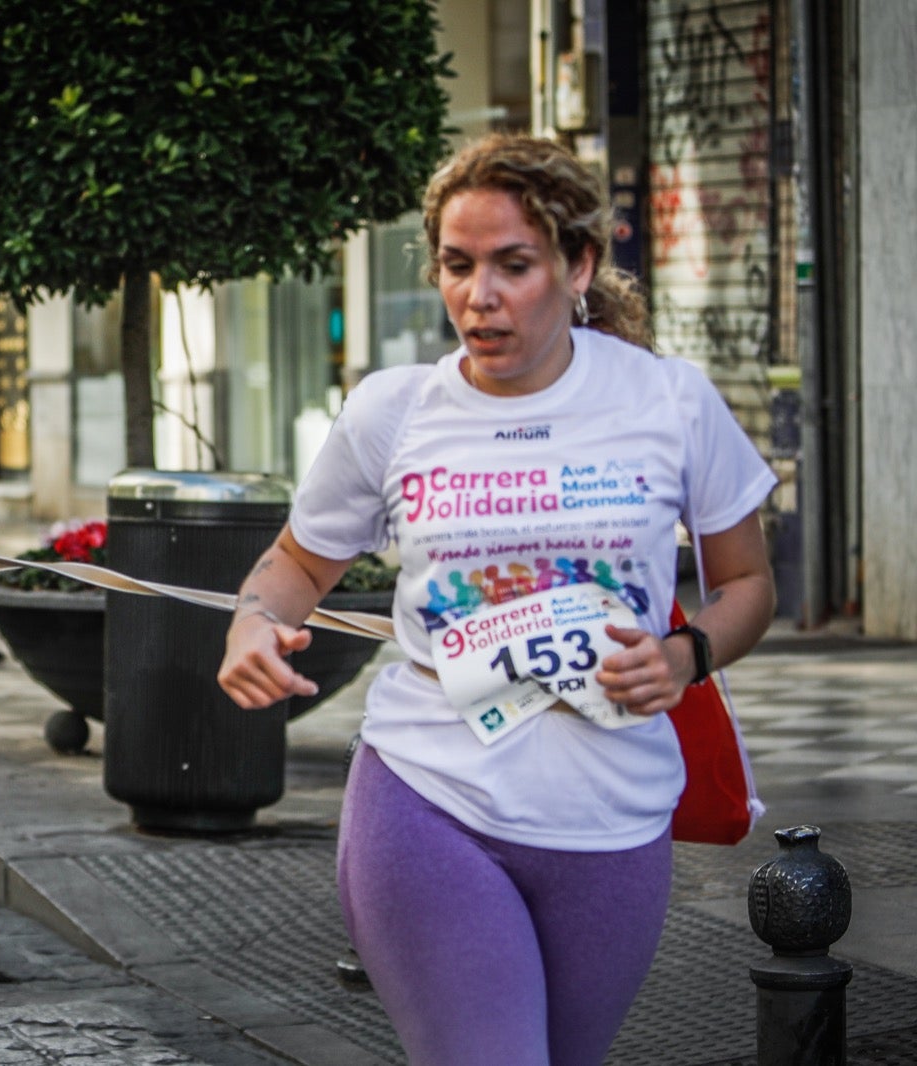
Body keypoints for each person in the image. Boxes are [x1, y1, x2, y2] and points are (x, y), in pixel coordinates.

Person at [217, 134, 776, 1066]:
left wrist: (684, 659)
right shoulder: (393, 412)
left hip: (613, 818)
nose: (480, 296)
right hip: (429, 795)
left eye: (514, 266)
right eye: (458, 265)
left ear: (579, 264)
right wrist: (252, 623)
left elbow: (749, 584)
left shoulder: (669, 403)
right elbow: (292, 569)